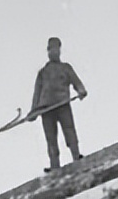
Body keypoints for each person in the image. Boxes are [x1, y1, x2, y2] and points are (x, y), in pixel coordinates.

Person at [30, 36, 88, 172]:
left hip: (62, 104)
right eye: (51, 50)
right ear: (48, 51)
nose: (53, 52)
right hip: (46, 109)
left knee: (69, 131)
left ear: (59, 51)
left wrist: (81, 90)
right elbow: (37, 93)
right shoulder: (43, 73)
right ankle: (54, 165)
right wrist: (33, 111)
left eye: (56, 49)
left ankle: (76, 156)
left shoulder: (66, 68)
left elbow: (76, 81)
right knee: (51, 138)